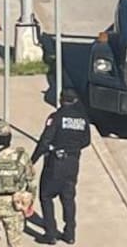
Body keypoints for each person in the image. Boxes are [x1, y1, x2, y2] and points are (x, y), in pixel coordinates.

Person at [32, 89, 91, 245]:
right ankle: (70, 234)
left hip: (55, 163)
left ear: (60, 100)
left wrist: (32, 161)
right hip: (73, 163)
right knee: (68, 197)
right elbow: (86, 141)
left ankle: (50, 233)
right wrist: (73, 148)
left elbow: (45, 141)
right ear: (75, 101)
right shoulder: (83, 119)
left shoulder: (56, 117)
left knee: (46, 195)